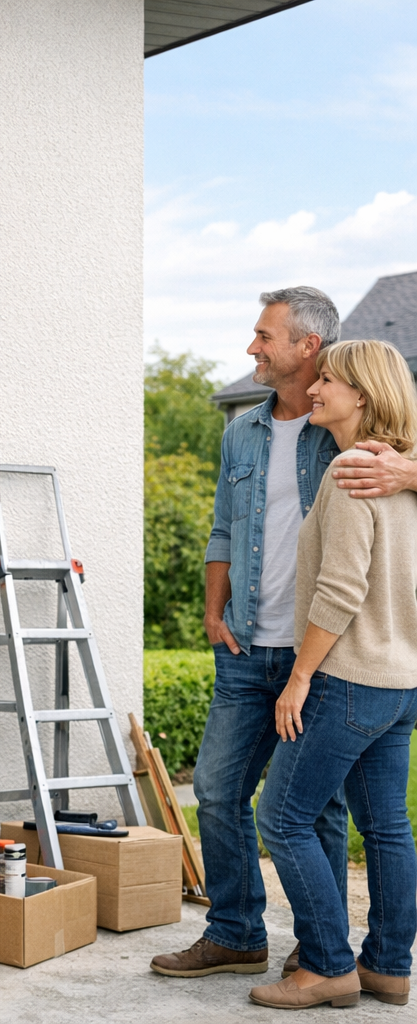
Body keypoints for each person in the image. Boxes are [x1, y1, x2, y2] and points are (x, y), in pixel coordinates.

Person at [150, 287, 417, 980]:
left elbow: (346, 577)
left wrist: (409, 468)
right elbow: (222, 526)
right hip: (248, 646)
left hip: (326, 656)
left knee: (313, 810)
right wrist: (214, 612)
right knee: (216, 791)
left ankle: (317, 947)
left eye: (264, 336)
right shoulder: (244, 431)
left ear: (309, 348)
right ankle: (236, 931)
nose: (251, 349)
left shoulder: (355, 449)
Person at [249, 339, 417, 1010]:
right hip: (400, 683)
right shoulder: (397, 473)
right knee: (387, 828)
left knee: (282, 818)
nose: (315, 388)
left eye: (330, 381)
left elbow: (340, 592)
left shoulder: (352, 471)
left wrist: (299, 678)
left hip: (349, 681)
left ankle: (326, 966)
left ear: (364, 397)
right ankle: (387, 967)